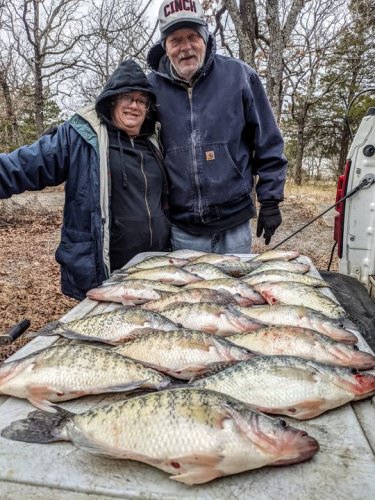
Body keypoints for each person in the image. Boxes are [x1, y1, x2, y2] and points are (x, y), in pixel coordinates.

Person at [0, 60, 171, 300]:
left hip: (153, 269)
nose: (135, 105)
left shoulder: (156, 141)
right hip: (105, 272)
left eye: (142, 100)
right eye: (128, 98)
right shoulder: (81, 136)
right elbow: (25, 165)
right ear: (112, 100)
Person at [147, 0, 288, 253]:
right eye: (175, 40)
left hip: (234, 225)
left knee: (235, 292)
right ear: (165, 46)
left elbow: (268, 141)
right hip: (184, 228)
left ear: (205, 37)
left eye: (192, 37)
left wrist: (270, 200)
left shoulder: (240, 76)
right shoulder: (150, 89)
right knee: (192, 293)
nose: (185, 47)